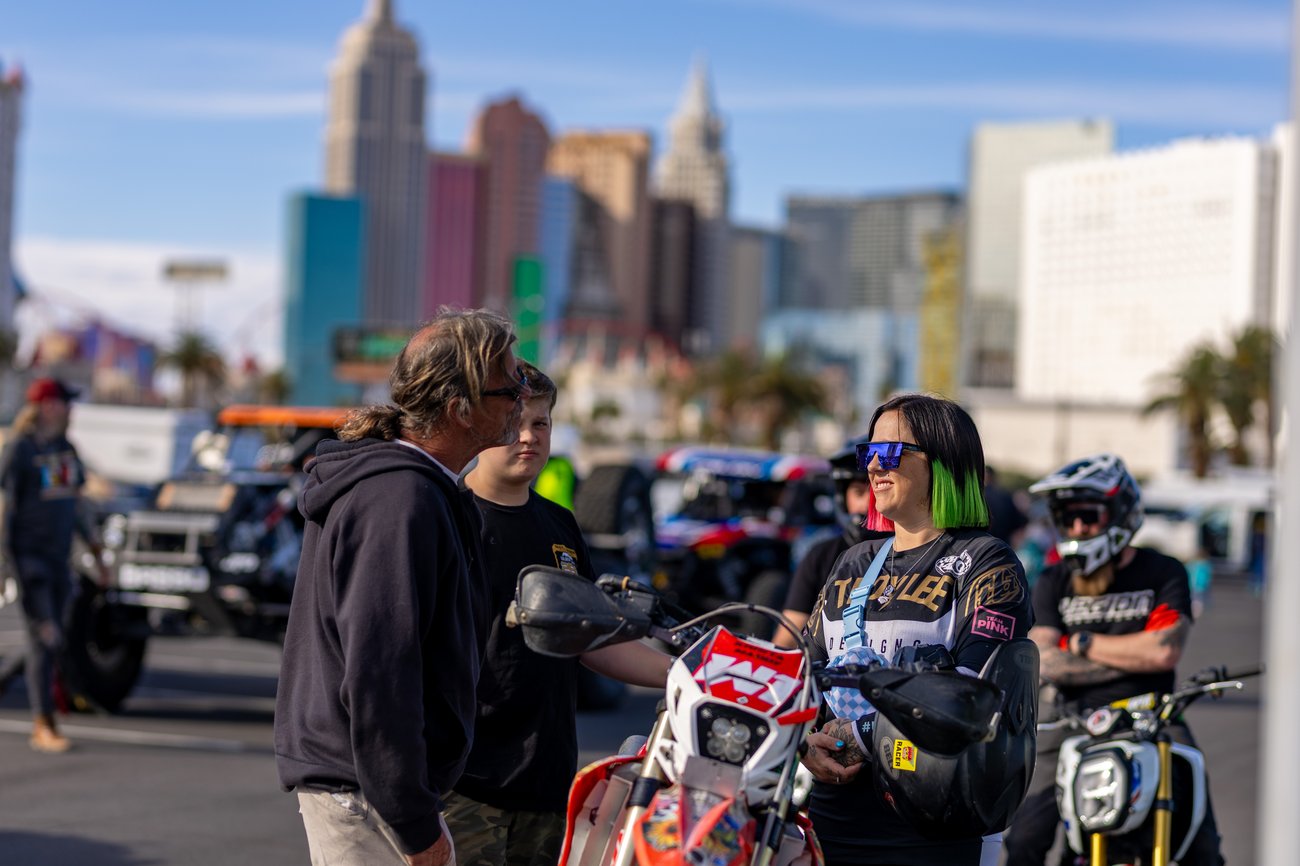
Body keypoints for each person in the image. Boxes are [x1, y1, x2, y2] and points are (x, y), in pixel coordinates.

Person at [274, 308, 528, 866]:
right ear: (460, 407)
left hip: (374, 793)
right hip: (368, 801)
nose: (522, 399)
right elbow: (379, 676)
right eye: (511, 386)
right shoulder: (399, 501)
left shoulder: (413, 490)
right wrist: (416, 827)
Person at [447, 363, 670, 866]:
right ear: (480, 423)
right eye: (515, 421)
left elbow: (593, 637)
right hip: (462, 786)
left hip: (547, 786)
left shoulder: (560, 524)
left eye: (541, 423)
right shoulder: (446, 515)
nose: (528, 437)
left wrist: (685, 675)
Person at [798, 393, 1032, 865]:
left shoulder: (987, 562)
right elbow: (805, 672)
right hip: (832, 816)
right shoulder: (853, 561)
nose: (873, 467)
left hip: (935, 825)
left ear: (943, 462)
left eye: (891, 453)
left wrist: (856, 734)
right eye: (869, 453)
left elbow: (970, 696)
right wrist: (806, 740)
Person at [1003, 453, 1223, 866]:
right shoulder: (1053, 581)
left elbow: (1164, 651)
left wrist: (1081, 643)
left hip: (1156, 716)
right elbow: (1044, 659)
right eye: (1068, 518)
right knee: (1025, 840)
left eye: (1088, 516)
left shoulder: (1163, 571)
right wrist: (1132, 654)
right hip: (1072, 718)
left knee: (1202, 844)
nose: (1078, 528)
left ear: (1120, 513)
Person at [0, 377, 108, 753]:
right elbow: (5, 512)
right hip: (29, 561)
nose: (71, 410)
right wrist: (4, 566)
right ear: (48, 406)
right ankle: (43, 724)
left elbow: (76, 506)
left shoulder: (64, 451)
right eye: (66, 402)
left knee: (50, 640)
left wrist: (97, 555)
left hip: (59, 562)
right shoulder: (20, 451)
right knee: (44, 637)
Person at [773, 435, 890, 649]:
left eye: (875, 492)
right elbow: (787, 639)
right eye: (858, 492)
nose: (866, 504)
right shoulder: (820, 556)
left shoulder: (914, 553)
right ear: (841, 498)